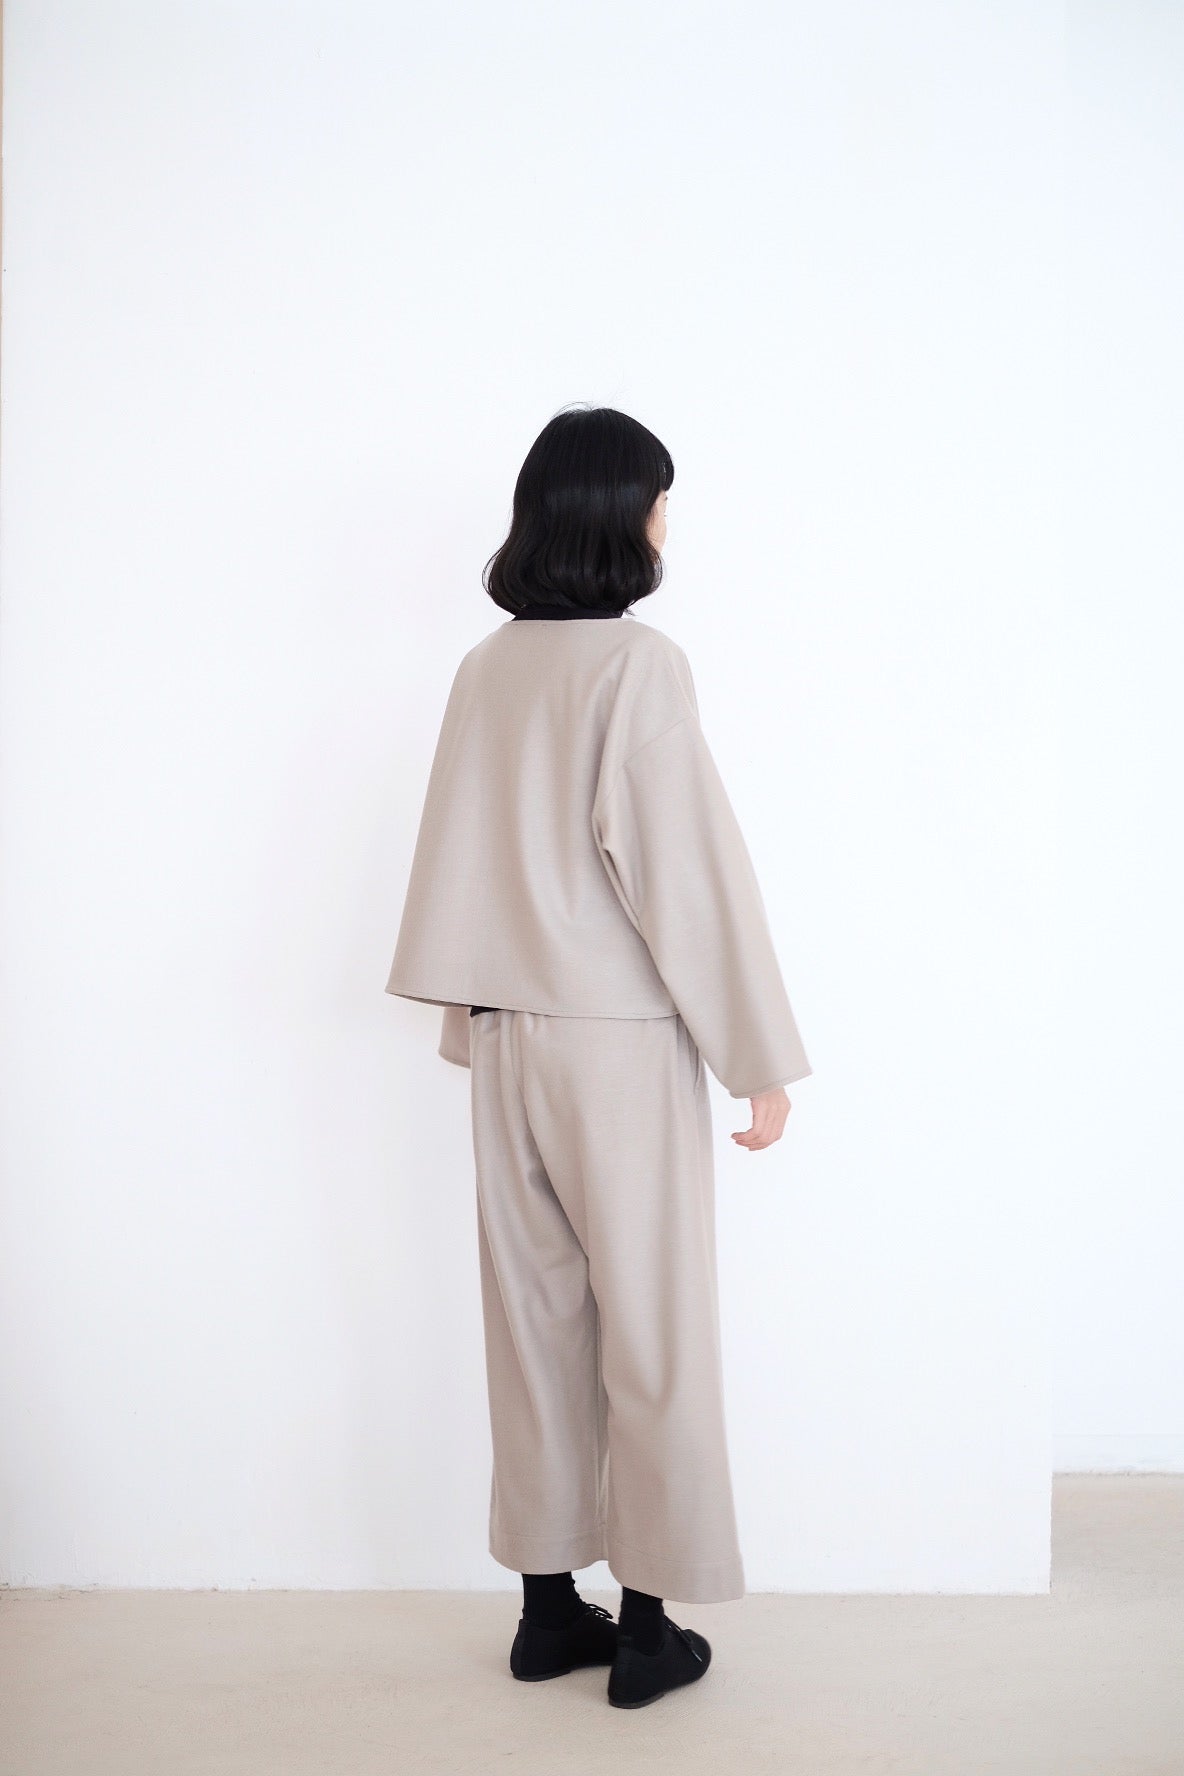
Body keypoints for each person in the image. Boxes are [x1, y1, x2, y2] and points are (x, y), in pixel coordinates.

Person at [384, 403, 812, 1708]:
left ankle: (543, 1611)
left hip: (504, 1032)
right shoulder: (639, 666)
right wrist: (756, 1055)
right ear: (626, 514)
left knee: (533, 1322)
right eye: (661, 498)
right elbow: (684, 870)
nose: (668, 521)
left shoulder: (486, 667)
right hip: (612, 1044)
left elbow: (460, 849)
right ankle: (646, 1631)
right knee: (653, 1328)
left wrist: (469, 1023)